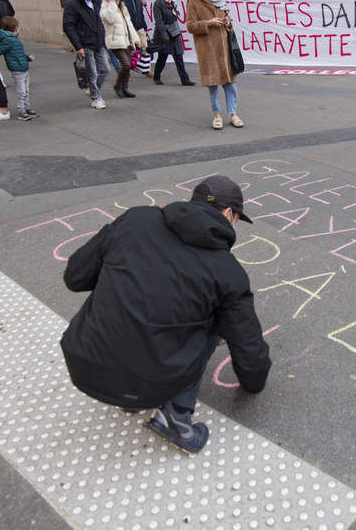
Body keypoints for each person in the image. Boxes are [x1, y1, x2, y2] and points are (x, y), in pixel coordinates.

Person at [60, 175, 271, 454]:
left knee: (126, 291)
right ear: (229, 214)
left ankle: (130, 399)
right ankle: (175, 417)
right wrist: (254, 384)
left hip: (84, 362)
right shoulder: (227, 271)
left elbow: (76, 277)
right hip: (151, 380)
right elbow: (247, 343)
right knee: (216, 323)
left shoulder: (135, 220)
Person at [187, 0, 243, 130]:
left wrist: (228, 23)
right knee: (212, 85)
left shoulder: (219, 1)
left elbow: (229, 27)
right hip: (208, 51)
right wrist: (209, 23)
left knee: (230, 84)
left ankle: (233, 114)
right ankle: (217, 115)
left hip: (224, 51)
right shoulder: (194, 1)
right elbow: (190, 26)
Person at [0, 16, 37, 121]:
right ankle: (22, 110)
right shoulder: (8, 41)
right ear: (16, 28)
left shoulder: (13, 40)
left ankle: (26, 108)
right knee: (22, 91)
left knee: (25, 90)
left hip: (22, 67)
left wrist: (27, 58)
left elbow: (18, 53)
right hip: (18, 69)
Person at [63, 0, 109, 109]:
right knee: (92, 73)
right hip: (85, 43)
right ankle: (96, 98)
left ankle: (93, 89)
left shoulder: (96, 0)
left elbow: (100, 19)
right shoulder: (72, 4)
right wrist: (78, 46)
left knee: (105, 69)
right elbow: (68, 26)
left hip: (98, 41)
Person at [100, 0, 142, 98]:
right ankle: (118, 86)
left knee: (127, 67)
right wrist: (112, 3)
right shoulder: (105, 6)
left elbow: (129, 25)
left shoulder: (123, 6)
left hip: (126, 40)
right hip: (114, 41)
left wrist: (136, 39)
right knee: (126, 64)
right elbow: (109, 19)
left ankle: (125, 88)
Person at [151, 0, 194, 86]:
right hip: (164, 34)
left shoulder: (170, 2)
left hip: (174, 33)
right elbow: (159, 22)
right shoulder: (158, 3)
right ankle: (156, 76)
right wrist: (164, 35)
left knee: (179, 55)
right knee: (162, 57)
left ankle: (185, 79)